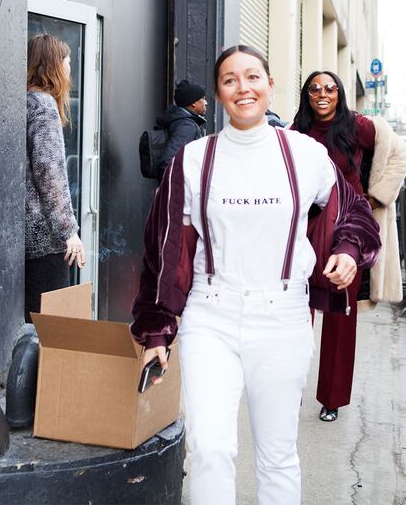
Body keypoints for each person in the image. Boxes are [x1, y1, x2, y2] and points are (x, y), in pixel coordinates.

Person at [130, 45, 380, 505]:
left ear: (269, 85)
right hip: (211, 315)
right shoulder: (193, 159)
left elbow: (355, 212)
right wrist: (157, 331)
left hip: (283, 315)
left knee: (278, 454)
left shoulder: (305, 153)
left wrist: (348, 250)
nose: (242, 87)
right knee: (209, 448)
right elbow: (162, 250)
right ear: (218, 92)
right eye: (229, 80)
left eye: (252, 77)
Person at [291, 70, 406, 422]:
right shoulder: (295, 132)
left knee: (342, 311)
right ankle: (288, 389)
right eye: (315, 89)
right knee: (296, 309)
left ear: (339, 94)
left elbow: (398, 155)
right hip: (307, 226)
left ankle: (332, 398)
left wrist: (376, 197)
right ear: (307, 95)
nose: (322, 94)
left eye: (329, 88)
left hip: (348, 227)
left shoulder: (359, 126)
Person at [25, 34, 85, 323]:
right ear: (54, 66)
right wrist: (68, 231)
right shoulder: (44, 106)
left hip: (24, 237)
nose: (70, 69)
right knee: (49, 327)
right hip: (44, 239)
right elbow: (50, 172)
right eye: (68, 62)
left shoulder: (23, 102)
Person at [153, 79, 207, 181]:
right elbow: (168, 162)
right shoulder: (186, 126)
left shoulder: (182, 122)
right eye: (203, 99)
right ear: (193, 103)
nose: (206, 103)